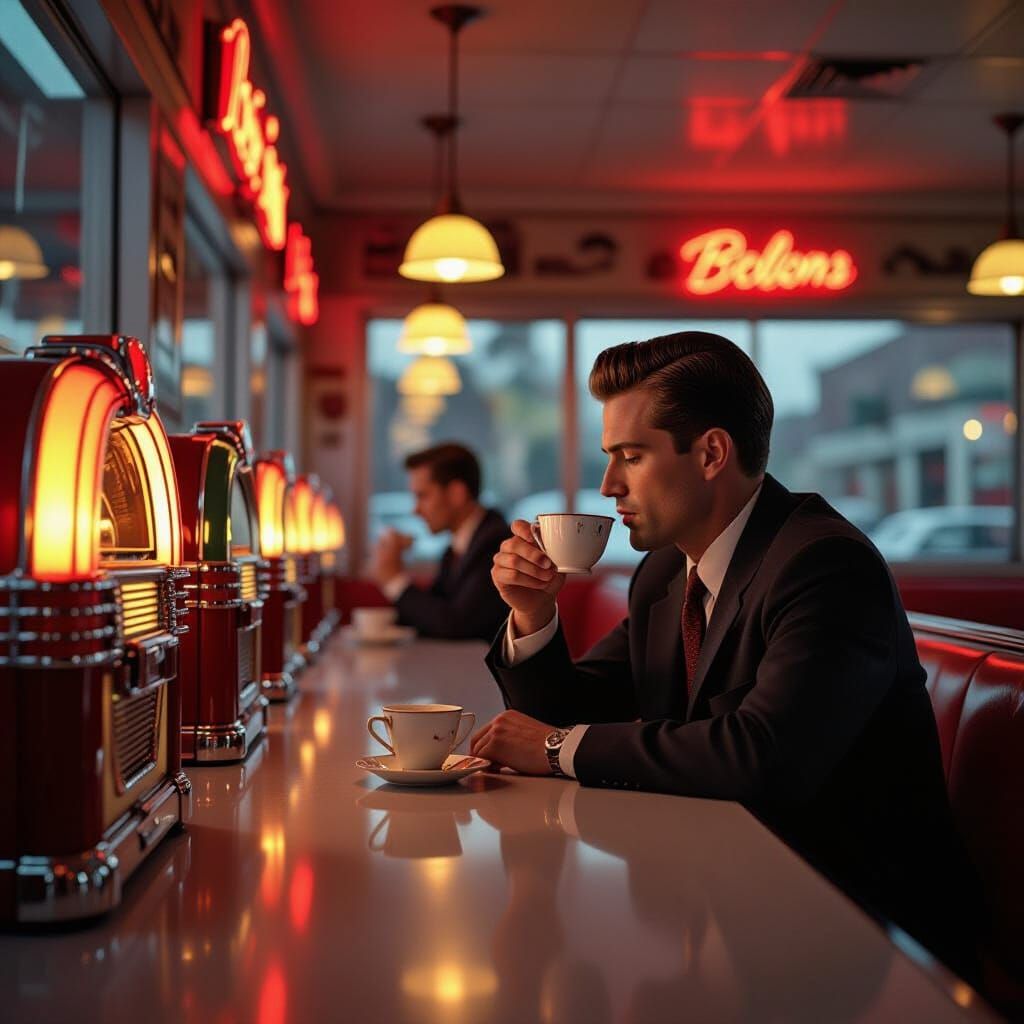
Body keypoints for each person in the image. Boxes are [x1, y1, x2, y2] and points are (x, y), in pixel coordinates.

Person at [471, 332, 983, 980]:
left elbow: (760, 757)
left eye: (630, 456)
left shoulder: (825, 565)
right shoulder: (663, 573)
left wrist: (551, 749)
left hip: (862, 934)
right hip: (722, 895)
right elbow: (570, 709)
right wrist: (532, 613)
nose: (607, 485)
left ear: (712, 452)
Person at [369, 442, 510, 641]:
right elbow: (428, 621)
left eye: (422, 496)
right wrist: (394, 564)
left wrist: (394, 580)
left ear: (456, 493)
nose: (415, 510)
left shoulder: (496, 544)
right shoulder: (454, 548)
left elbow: (457, 625)